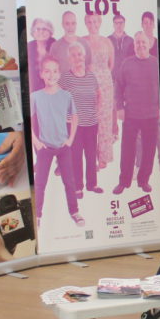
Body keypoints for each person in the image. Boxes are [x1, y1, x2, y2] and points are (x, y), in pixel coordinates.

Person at [31, 57, 81, 226]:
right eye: (47, 71)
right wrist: (36, 142)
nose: (51, 74)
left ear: (59, 74)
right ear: (41, 74)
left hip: (63, 147)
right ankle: (37, 215)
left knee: (70, 181)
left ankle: (74, 211)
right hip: (45, 147)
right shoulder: (36, 97)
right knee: (40, 183)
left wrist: (70, 139)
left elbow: (75, 116)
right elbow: (27, 120)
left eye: (54, 71)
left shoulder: (66, 96)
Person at [112, 31, 160, 195]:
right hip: (131, 114)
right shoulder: (127, 64)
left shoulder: (156, 64)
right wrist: (119, 108)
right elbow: (118, 87)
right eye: (137, 43)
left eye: (143, 42)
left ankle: (143, 180)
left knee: (149, 151)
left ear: (148, 44)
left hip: (152, 115)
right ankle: (123, 182)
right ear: (134, 46)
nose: (140, 45)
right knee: (127, 150)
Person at [59, 41, 101, 203]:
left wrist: (96, 110)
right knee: (76, 157)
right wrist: (64, 117)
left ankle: (92, 184)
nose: (78, 58)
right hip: (74, 127)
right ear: (69, 58)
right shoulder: (65, 78)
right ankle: (78, 187)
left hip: (92, 124)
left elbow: (98, 95)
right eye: (74, 55)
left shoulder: (91, 76)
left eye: (80, 54)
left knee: (91, 156)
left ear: (84, 56)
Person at [81, 12, 118, 168]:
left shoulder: (107, 42)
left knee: (104, 121)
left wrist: (101, 76)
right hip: (88, 85)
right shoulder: (81, 41)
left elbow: (111, 64)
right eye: (90, 21)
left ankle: (102, 158)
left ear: (100, 22)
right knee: (89, 121)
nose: (93, 24)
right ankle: (89, 157)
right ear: (86, 23)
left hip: (105, 84)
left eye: (95, 21)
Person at [48, 10, 83, 77]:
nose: (70, 27)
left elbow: (89, 67)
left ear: (76, 24)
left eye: (73, 23)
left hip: (81, 85)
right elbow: (51, 69)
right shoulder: (55, 46)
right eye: (67, 23)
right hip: (62, 86)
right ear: (62, 25)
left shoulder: (84, 43)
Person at [26, 17, 54, 93]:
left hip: (53, 88)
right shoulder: (28, 46)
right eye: (37, 29)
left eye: (44, 29)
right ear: (33, 32)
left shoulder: (55, 45)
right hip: (32, 90)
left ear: (50, 32)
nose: (41, 32)